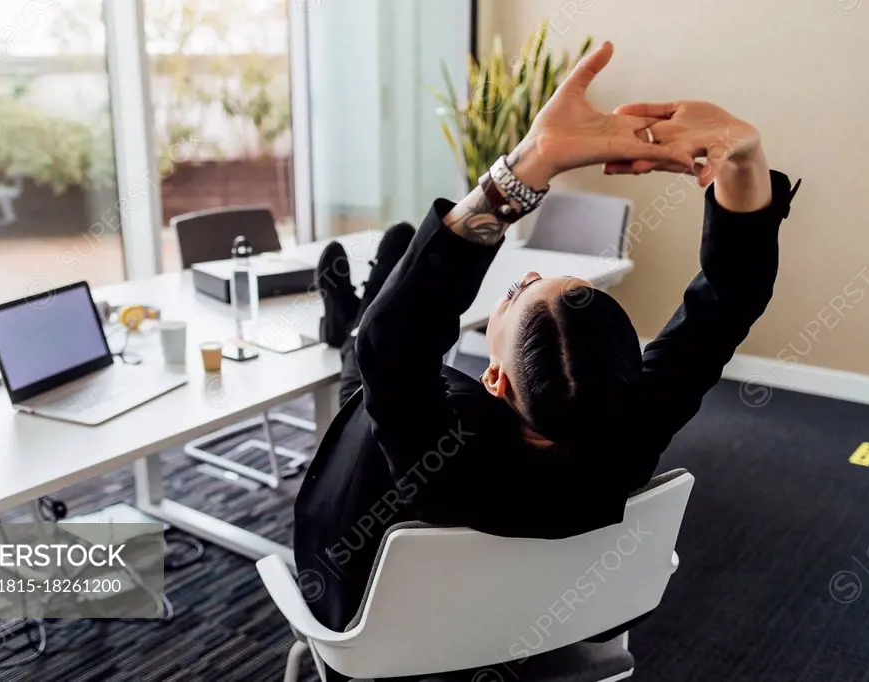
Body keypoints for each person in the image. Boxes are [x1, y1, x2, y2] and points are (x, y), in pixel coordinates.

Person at [294, 41, 799, 674]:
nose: (526, 275)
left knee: (368, 379)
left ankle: (353, 313)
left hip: (380, 637)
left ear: (496, 378)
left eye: (516, 290)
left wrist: (532, 161)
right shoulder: (633, 422)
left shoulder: (442, 447)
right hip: (549, 622)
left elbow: (392, 344)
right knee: (376, 360)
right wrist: (744, 152)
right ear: (627, 361)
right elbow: (732, 296)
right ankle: (356, 312)